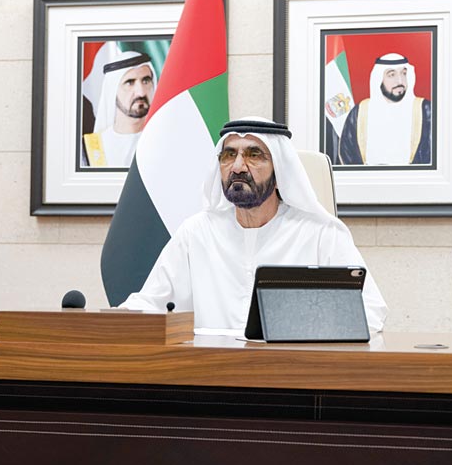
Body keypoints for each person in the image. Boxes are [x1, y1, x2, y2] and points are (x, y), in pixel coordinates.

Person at [118, 117, 388, 336]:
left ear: (280, 172)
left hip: (291, 373)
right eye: (229, 155)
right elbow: (149, 303)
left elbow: (370, 312)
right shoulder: (196, 232)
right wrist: (112, 319)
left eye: (254, 155)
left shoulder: (321, 233)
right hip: (209, 373)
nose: (237, 167)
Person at [339, 53, 432, 165]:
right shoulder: (361, 112)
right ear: (379, 79)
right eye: (391, 75)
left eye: (404, 74)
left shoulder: (425, 110)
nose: (400, 81)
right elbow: (348, 153)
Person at [83, 51, 157, 167]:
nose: (141, 92)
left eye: (146, 81)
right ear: (112, 91)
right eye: (130, 83)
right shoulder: (88, 149)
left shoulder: (165, 139)